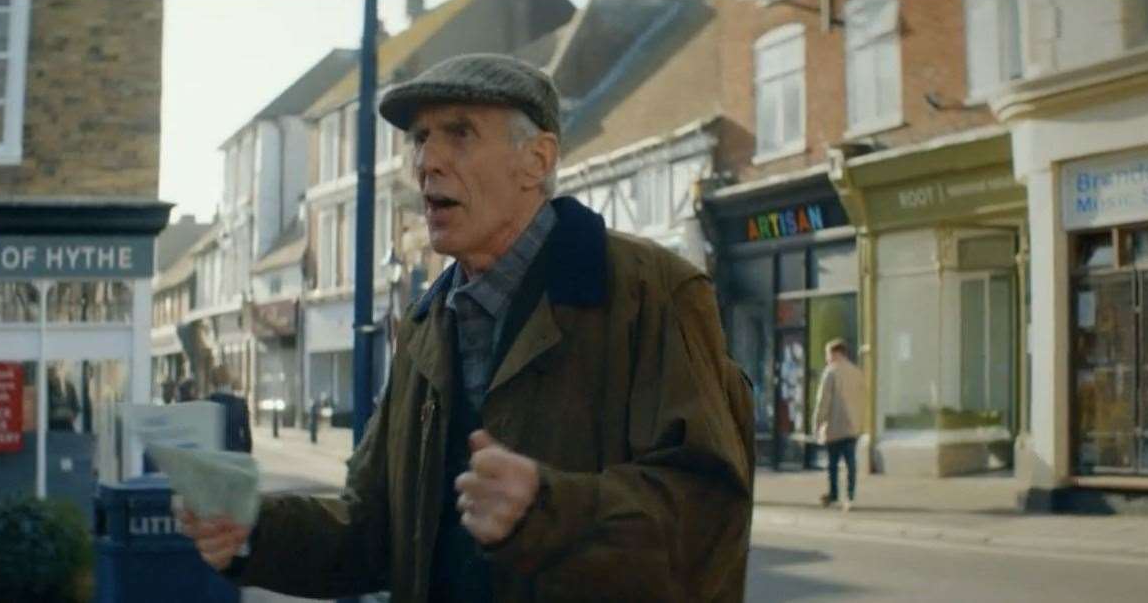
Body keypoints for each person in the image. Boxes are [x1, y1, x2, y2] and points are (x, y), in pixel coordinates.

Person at [179, 53, 755, 602]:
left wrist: (548, 509)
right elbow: (373, 528)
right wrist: (254, 526)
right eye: (420, 139)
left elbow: (709, 516)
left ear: (538, 160)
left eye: (459, 133)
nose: (427, 162)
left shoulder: (651, 292)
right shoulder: (427, 322)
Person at [813, 338, 867, 512]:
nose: (827, 358)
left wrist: (817, 423)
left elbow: (823, 401)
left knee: (833, 464)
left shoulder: (831, 372)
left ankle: (834, 493)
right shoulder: (857, 372)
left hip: (835, 426)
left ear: (836, 353)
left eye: (828, 354)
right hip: (853, 425)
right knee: (851, 462)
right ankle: (850, 496)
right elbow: (863, 399)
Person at [205, 365, 252, 453]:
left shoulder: (207, 403)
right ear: (230, 380)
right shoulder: (240, 404)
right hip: (235, 454)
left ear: (213, 382)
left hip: (213, 455)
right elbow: (247, 436)